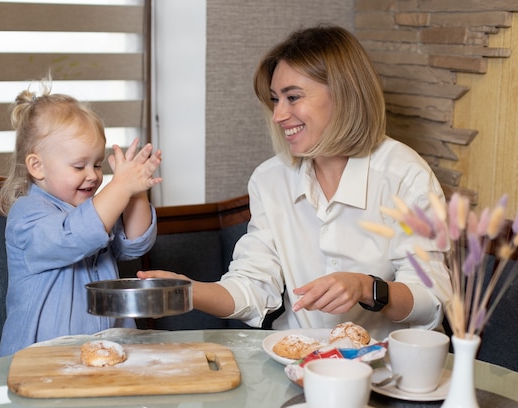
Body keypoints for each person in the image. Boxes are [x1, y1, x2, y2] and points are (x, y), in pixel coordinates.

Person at [139, 25, 452, 341]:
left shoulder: (405, 174)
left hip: (383, 367)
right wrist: (186, 291)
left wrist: (366, 287)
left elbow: (432, 300)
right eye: (276, 99)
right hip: (295, 359)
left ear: (344, 94)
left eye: (292, 97)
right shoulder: (269, 179)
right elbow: (253, 286)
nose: (278, 115)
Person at [0, 79, 162, 356]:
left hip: (109, 347)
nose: (93, 175)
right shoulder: (26, 214)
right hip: (41, 360)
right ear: (37, 167)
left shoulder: (95, 211)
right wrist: (119, 187)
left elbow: (135, 243)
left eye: (97, 164)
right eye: (78, 166)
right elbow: (71, 237)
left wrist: (135, 192)